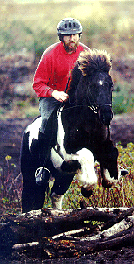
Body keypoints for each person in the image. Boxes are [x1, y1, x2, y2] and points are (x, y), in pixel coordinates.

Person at [32, 17, 89, 170]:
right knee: (46, 123)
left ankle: (104, 163)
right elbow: (37, 84)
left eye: (75, 35)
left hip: (77, 99)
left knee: (98, 120)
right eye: (68, 35)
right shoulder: (50, 54)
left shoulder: (86, 53)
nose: (72, 38)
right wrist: (53, 92)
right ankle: (41, 167)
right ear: (61, 37)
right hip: (52, 99)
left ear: (79, 35)